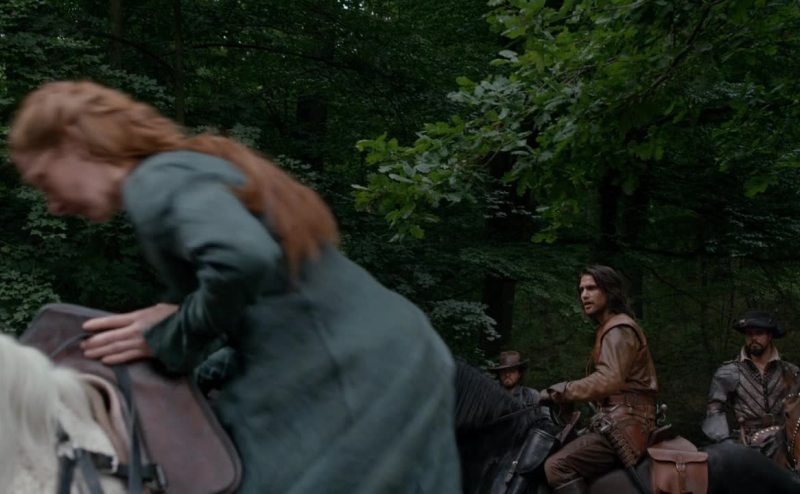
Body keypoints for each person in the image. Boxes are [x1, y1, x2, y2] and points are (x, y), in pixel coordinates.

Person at [9, 80, 461, 493]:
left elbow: (243, 258)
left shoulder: (154, 180)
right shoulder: (185, 169)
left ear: (73, 141)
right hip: (381, 353)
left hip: (351, 366)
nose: (52, 206)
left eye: (44, 180)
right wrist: (190, 333)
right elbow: (266, 296)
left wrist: (173, 331)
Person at [538, 265, 658, 494]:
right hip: (618, 421)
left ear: (609, 291)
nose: (584, 295)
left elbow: (607, 380)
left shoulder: (618, 329)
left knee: (556, 466)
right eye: (581, 289)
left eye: (591, 288)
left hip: (627, 425)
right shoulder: (611, 328)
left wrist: (559, 392)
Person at [702, 310, 800, 459]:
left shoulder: (791, 372)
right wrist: (724, 441)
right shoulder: (728, 372)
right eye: (749, 334)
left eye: (759, 333)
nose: (753, 338)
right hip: (746, 442)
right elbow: (714, 411)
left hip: (786, 441)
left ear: (770, 335)